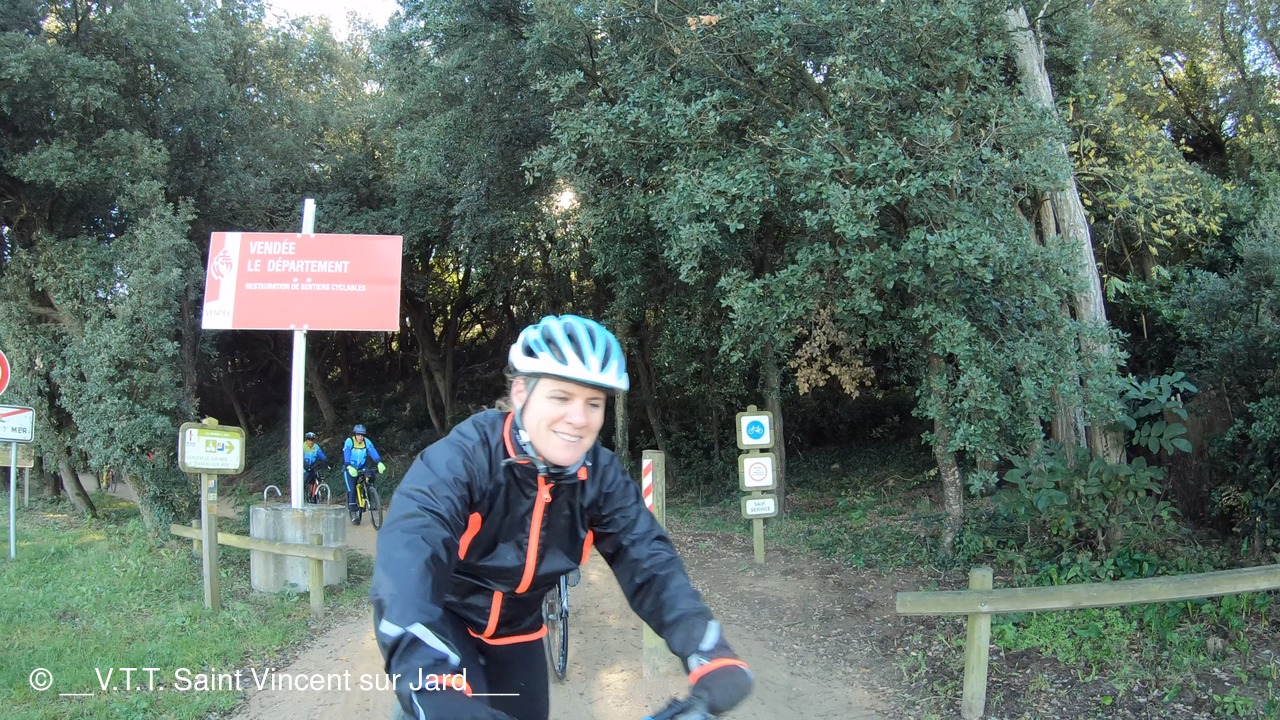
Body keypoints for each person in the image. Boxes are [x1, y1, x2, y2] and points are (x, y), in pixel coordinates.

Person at [371, 315, 753, 720]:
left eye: (594, 403)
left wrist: (709, 651)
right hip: (447, 622)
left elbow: (648, 559)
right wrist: (428, 677)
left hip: (518, 630)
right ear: (521, 392)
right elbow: (410, 556)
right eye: (561, 397)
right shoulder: (465, 458)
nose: (579, 418)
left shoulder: (600, 476)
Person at [344, 423, 386, 524]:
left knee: (371, 477)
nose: (360, 437)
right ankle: (353, 512)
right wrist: (348, 465)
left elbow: (373, 451)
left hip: (362, 466)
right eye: (358, 435)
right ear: (355, 434)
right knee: (352, 489)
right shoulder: (350, 441)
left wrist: (379, 462)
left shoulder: (367, 442)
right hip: (350, 467)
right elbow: (346, 453)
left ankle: (370, 497)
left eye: (362, 435)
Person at [302, 432, 329, 503]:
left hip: (312, 466)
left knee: (315, 478)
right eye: (309, 440)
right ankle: (303, 496)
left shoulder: (316, 447)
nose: (311, 442)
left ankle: (313, 496)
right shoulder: (303, 447)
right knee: (303, 482)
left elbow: (321, 455)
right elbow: (300, 458)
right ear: (306, 440)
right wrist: (305, 465)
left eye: (312, 440)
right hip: (304, 468)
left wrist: (326, 461)